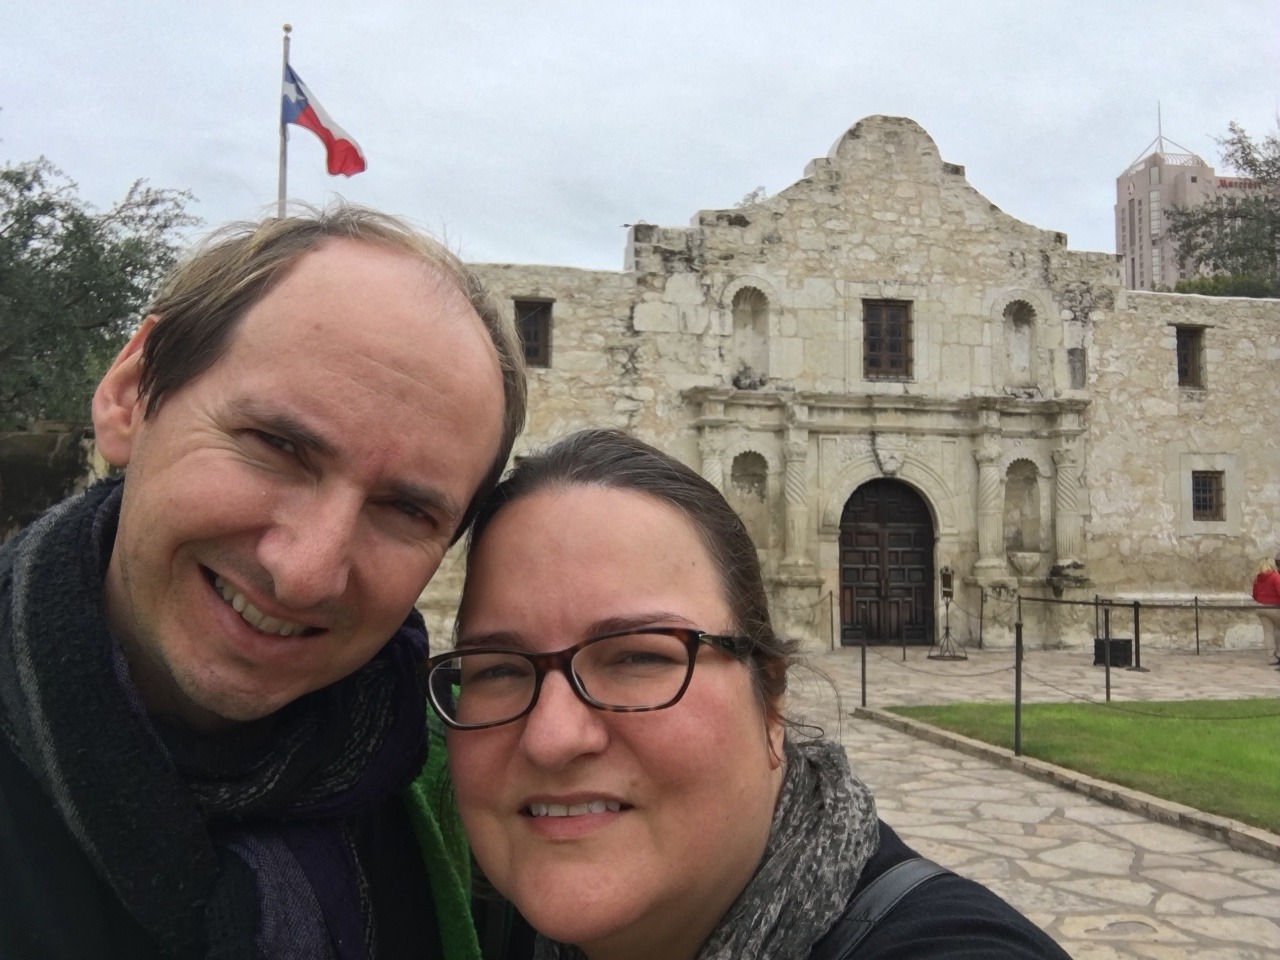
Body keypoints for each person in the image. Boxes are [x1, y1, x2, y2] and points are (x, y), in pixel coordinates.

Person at [0, 205, 527, 960]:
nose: (306, 571)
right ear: (131, 394)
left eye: (404, 509)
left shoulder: (462, 802)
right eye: (276, 446)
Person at [426, 429, 1071, 960]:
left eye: (640, 655)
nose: (552, 736)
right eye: (499, 668)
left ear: (770, 706)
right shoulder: (455, 920)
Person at [1251, 556, 1280, 665]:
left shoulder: (1258, 578)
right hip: (1274, 607)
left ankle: (1271, 658)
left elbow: (1255, 594)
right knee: (1277, 630)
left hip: (1260, 607)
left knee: (1268, 632)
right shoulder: (1275, 577)